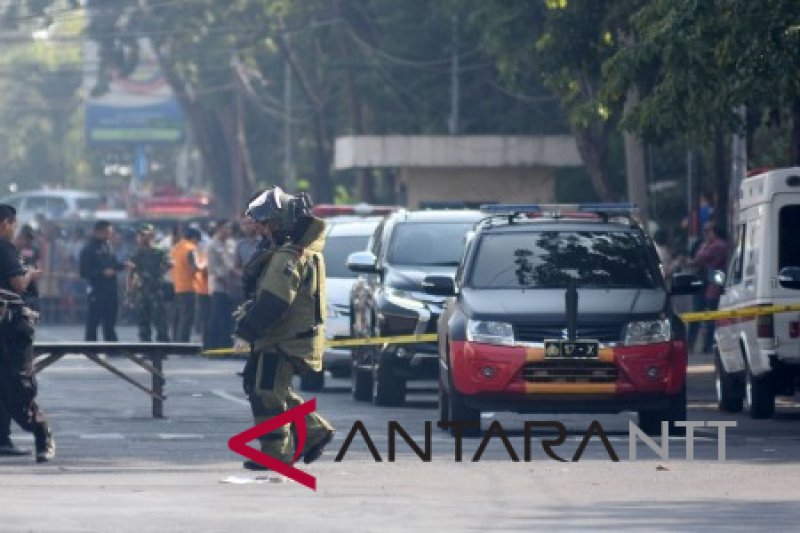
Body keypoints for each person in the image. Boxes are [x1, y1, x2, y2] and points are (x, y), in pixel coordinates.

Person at [234, 187, 334, 470]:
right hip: (291, 336)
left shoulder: (288, 256)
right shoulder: (300, 250)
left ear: (282, 222)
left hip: (284, 338)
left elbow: (274, 301)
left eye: (269, 224)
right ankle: (313, 431)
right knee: (268, 387)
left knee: (266, 391)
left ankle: (276, 453)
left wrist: (247, 331)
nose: (265, 230)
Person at [0, 204, 55, 462]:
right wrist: (30, 274)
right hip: (9, 326)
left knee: (17, 390)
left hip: (10, 327)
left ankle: (42, 433)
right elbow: (19, 283)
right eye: (13, 224)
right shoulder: (5, 248)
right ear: (6, 223)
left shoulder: (7, 249)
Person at [684, 222, 728, 353]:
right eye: (705, 231)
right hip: (704, 282)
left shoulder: (718, 245)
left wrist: (703, 248)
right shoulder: (707, 245)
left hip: (713, 284)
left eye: (708, 231)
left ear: (714, 232)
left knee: (710, 315)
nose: (706, 234)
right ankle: (692, 343)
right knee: (697, 314)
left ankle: (708, 344)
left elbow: (700, 258)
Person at [80, 220, 128, 341]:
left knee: (110, 321)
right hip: (97, 290)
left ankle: (112, 348)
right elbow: (84, 272)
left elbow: (114, 265)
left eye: (110, 233)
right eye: (107, 232)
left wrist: (123, 265)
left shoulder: (108, 246)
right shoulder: (88, 249)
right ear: (98, 232)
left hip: (111, 290)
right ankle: (90, 349)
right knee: (93, 321)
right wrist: (101, 272)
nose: (109, 235)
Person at [127, 224, 171, 343]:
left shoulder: (159, 251)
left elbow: (169, 264)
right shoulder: (137, 253)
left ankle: (163, 347)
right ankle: (145, 347)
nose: (143, 237)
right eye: (141, 235)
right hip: (143, 290)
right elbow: (131, 272)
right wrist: (130, 291)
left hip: (156, 289)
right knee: (143, 321)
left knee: (160, 320)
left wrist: (159, 274)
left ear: (152, 235)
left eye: (146, 235)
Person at [207, 220, 236, 349]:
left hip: (232, 287)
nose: (228, 231)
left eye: (229, 229)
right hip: (218, 287)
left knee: (228, 318)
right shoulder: (212, 245)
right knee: (216, 318)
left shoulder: (231, 244)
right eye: (225, 228)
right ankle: (213, 346)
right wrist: (224, 280)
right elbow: (212, 268)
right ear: (218, 229)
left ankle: (226, 346)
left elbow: (234, 263)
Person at [170, 227, 202, 342]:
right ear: (194, 238)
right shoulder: (191, 249)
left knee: (177, 317)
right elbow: (194, 268)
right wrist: (202, 267)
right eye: (198, 240)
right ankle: (183, 342)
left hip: (177, 286)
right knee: (187, 317)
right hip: (189, 286)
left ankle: (175, 341)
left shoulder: (176, 248)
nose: (198, 243)